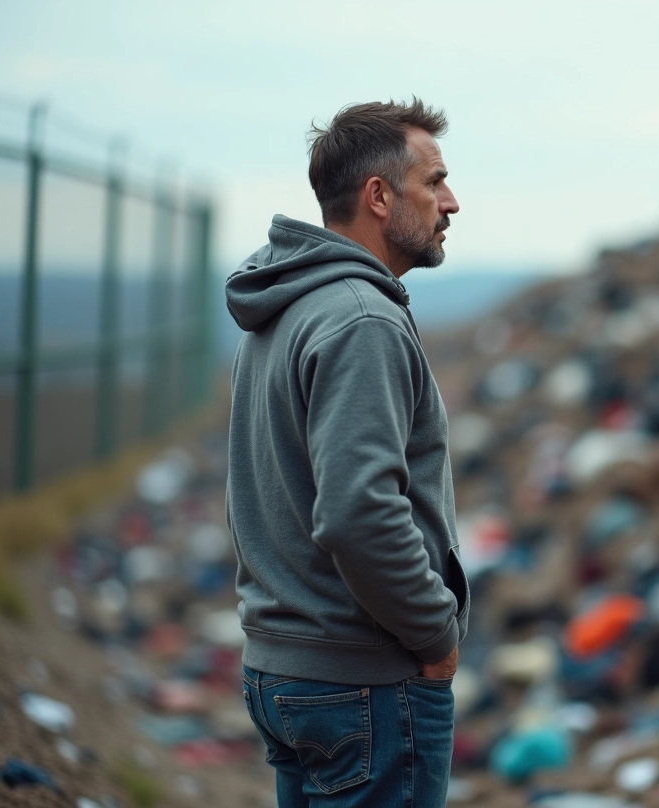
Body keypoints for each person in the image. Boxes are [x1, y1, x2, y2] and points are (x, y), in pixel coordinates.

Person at [225, 98, 467, 807]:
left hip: (283, 670)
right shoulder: (362, 320)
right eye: (435, 182)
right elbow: (359, 512)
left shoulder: (286, 306)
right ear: (380, 196)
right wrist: (434, 637)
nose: (452, 202)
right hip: (362, 681)